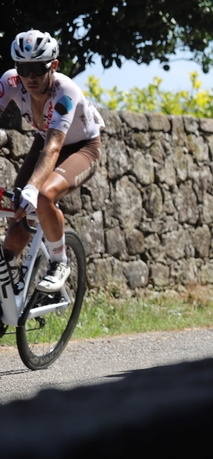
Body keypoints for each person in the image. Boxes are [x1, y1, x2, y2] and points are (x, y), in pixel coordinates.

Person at [0, 29, 104, 292]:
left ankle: (59, 262)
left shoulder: (65, 91)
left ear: (53, 66)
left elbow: (55, 146)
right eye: (24, 68)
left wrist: (33, 189)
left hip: (81, 147)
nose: (30, 77)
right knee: (17, 215)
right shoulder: (11, 82)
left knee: (43, 196)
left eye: (38, 68)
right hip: (43, 141)